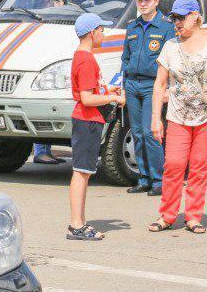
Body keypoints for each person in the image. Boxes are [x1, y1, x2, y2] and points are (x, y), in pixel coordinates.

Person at [148, 0, 207, 235]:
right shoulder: (170, 47)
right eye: (174, 18)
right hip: (178, 116)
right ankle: (167, 215)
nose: (176, 22)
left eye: (181, 17)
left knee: (200, 167)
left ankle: (193, 216)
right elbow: (159, 85)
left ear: (196, 15)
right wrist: (155, 118)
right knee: (173, 165)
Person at [67, 13, 125, 241]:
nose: (104, 34)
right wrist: (115, 99)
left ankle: (79, 222)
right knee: (82, 172)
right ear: (92, 33)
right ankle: (76, 224)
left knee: (84, 172)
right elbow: (87, 99)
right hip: (87, 121)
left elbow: (91, 92)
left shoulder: (84, 57)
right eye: (101, 30)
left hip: (88, 121)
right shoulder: (86, 60)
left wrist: (108, 90)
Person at [121, 0, 176, 196]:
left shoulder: (165, 26)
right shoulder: (133, 26)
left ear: (156, 1)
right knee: (137, 133)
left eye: (147, 0)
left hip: (153, 85)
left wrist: (167, 89)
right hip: (133, 84)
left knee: (150, 132)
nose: (143, 3)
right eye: (140, 0)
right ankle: (143, 178)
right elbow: (125, 57)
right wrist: (124, 86)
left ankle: (158, 180)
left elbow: (172, 59)